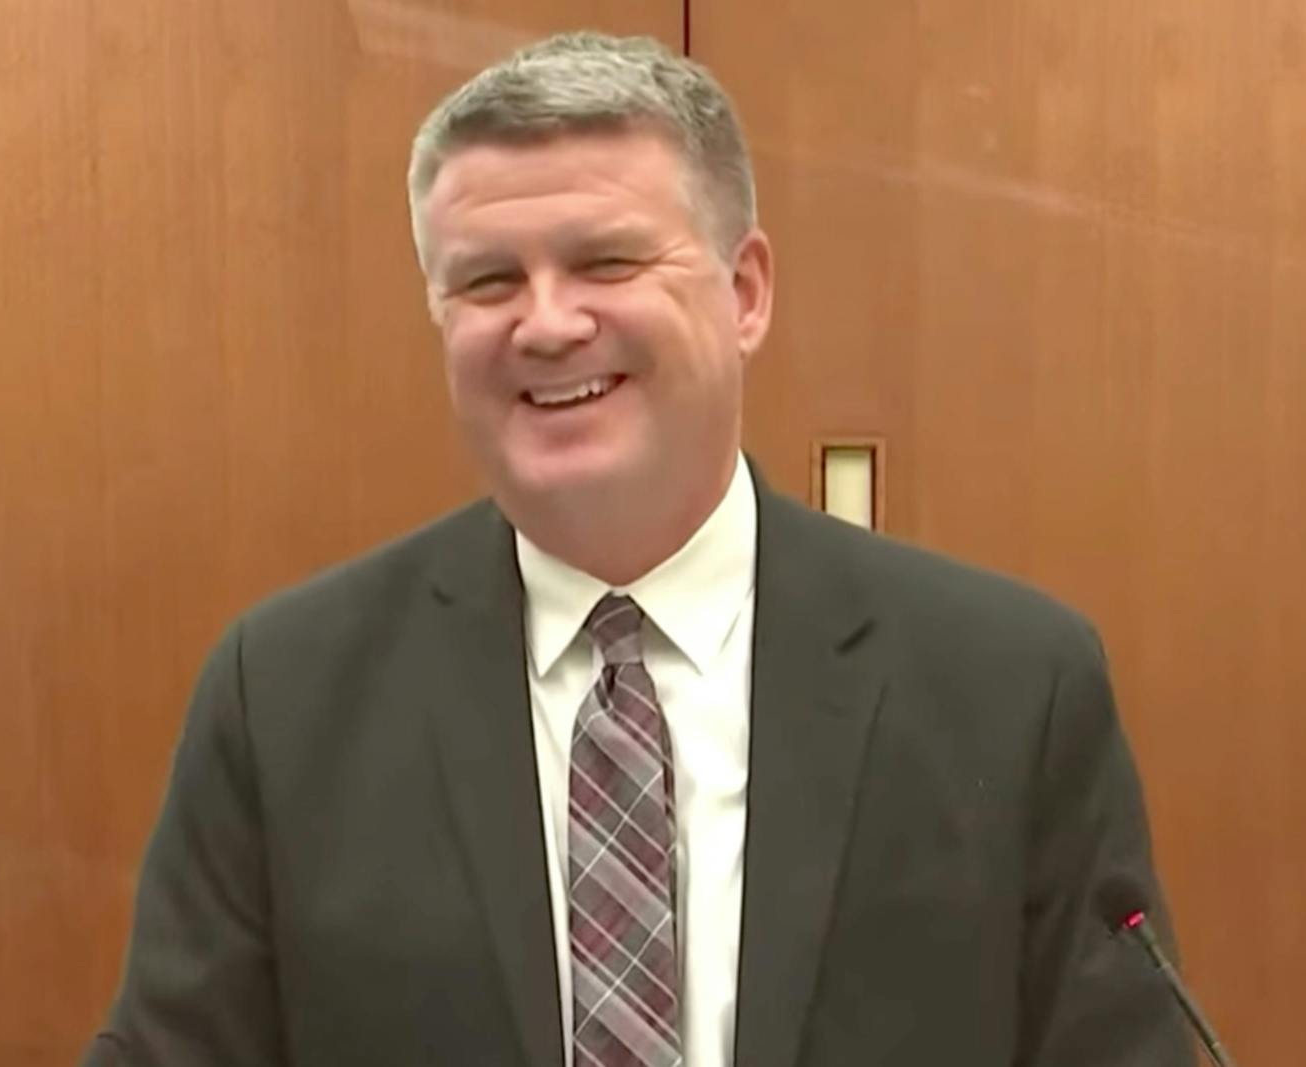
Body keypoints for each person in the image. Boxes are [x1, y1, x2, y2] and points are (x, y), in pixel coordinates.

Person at [82, 31, 1192, 1067]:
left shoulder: (1006, 685)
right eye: (487, 280)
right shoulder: (283, 695)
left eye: (604, 262)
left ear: (743, 291)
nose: (547, 322)